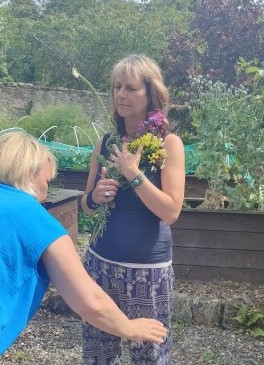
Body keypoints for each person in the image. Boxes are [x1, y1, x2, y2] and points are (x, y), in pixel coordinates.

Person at [0, 131, 168, 355]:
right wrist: (130, 327)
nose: (46, 190)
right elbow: (90, 302)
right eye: (47, 180)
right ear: (30, 172)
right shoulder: (32, 216)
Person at [81, 54, 185, 364]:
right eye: (116, 87)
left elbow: (170, 212)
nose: (120, 95)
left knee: (149, 356)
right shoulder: (105, 143)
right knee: (99, 355)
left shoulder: (169, 144)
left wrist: (133, 173)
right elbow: (85, 207)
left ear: (150, 93)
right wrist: (95, 197)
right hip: (100, 265)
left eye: (130, 88)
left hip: (147, 274)